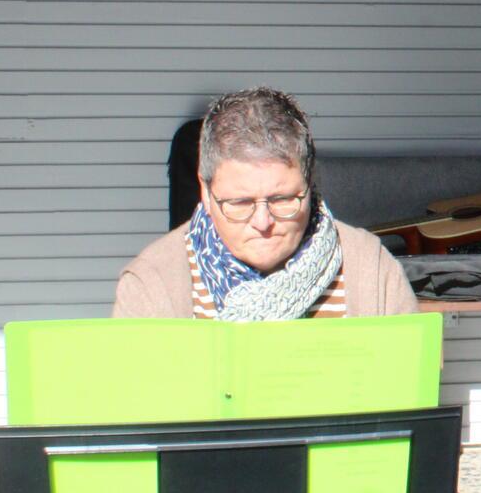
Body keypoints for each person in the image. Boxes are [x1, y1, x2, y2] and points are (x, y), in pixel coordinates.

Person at [113, 87, 419, 320]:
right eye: (240, 203)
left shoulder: (372, 270)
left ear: (310, 184)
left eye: (283, 199)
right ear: (206, 193)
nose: (263, 222)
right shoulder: (153, 283)